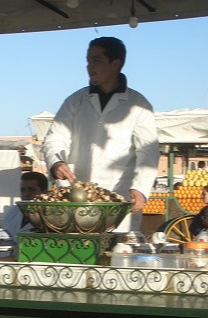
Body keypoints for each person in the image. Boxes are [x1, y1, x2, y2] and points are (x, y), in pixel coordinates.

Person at [41, 36, 159, 233]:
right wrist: (56, 162)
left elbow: (148, 152)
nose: (89, 66)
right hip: (77, 199)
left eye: (96, 60)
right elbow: (55, 137)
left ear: (116, 64)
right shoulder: (75, 101)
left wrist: (140, 188)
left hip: (119, 199)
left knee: (117, 256)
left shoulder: (138, 105)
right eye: (88, 60)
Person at [1, 171, 49, 242]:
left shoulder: (50, 216)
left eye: (31, 190)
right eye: (23, 190)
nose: (26, 194)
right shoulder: (12, 211)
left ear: (45, 192)